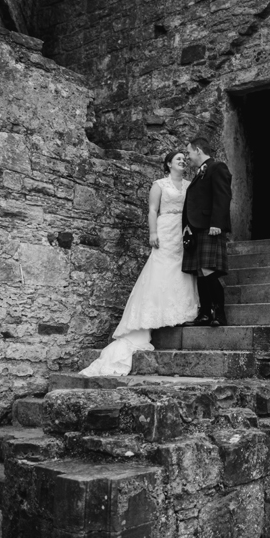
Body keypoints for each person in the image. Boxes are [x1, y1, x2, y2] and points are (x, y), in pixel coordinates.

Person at [80, 152, 199, 376]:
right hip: (164, 228)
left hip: (182, 230)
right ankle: (152, 314)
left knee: (181, 269)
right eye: (178, 159)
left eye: (184, 158)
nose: (182, 161)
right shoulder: (159, 185)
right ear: (168, 163)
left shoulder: (189, 185)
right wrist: (153, 233)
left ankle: (180, 311)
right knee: (160, 270)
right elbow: (153, 210)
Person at [182, 137, 232, 327]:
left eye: (189, 152)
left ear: (198, 150)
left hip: (210, 227)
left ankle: (219, 314)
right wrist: (187, 226)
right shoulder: (199, 173)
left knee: (208, 270)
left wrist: (217, 223)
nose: (188, 156)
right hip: (196, 228)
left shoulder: (217, 167)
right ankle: (204, 313)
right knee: (200, 272)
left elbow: (223, 195)